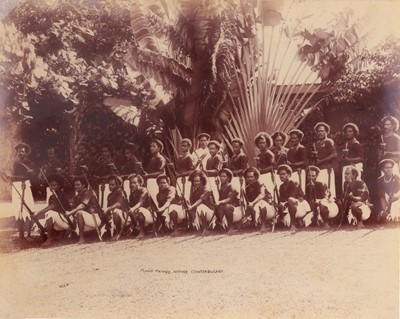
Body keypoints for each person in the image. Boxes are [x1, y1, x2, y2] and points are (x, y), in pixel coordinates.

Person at [34, 174, 72, 247]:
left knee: (50, 213)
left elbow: (52, 206)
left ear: (59, 186)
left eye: (54, 185)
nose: (52, 187)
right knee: (47, 214)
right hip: (60, 221)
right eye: (51, 185)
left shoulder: (61, 194)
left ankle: (49, 239)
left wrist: (38, 213)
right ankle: (58, 234)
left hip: (67, 221)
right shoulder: (51, 197)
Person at [65, 176, 103, 244]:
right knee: (72, 214)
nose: (75, 186)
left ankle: (82, 238)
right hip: (84, 220)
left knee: (79, 213)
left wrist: (70, 213)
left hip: (94, 218)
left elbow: (82, 206)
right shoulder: (76, 197)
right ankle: (67, 234)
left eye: (78, 185)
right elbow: (73, 208)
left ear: (83, 185)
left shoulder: (88, 193)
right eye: (75, 185)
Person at [11, 143, 36, 239]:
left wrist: (13, 177)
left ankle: (28, 234)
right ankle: (21, 235)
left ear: (26, 153)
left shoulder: (30, 163)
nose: (20, 153)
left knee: (28, 209)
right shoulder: (15, 163)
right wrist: (10, 178)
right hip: (16, 187)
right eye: (18, 151)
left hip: (25, 185)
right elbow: (13, 177)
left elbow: (30, 176)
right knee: (18, 210)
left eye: (22, 151)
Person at [277, 164, 311, 231]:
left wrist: (284, 204)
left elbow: (291, 198)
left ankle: (293, 225)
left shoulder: (294, 183)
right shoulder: (281, 186)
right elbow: (282, 200)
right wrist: (281, 205)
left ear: (289, 174)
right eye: (280, 174)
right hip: (289, 206)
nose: (281, 176)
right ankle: (294, 221)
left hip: (300, 206)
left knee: (290, 201)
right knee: (278, 205)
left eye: (283, 174)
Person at [241, 167, 275, 232]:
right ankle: (256, 222)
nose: (249, 179)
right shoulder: (247, 188)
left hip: (269, 209)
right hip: (257, 209)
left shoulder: (260, 184)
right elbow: (250, 203)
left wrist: (253, 203)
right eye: (248, 177)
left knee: (261, 203)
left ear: (256, 177)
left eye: (251, 177)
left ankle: (263, 226)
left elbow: (262, 195)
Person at [312, 122, 338, 198]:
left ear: (326, 132)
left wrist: (321, 161)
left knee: (328, 190)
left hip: (327, 169)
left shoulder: (329, 141)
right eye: (319, 131)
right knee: (321, 189)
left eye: (322, 131)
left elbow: (334, 154)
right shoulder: (317, 143)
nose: (320, 133)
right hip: (319, 169)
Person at [124, 174, 154, 239]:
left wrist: (133, 209)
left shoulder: (143, 190)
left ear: (139, 183)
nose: (132, 185)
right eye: (131, 183)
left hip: (149, 215)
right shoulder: (131, 195)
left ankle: (142, 232)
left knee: (139, 210)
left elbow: (140, 202)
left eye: (135, 182)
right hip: (138, 215)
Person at [186, 170, 215, 235]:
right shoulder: (194, 192)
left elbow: (200, 200)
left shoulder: (207, 189)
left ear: (202, 181)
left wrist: (192, 206)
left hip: (210, 214)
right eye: (194, 181)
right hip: (200, 214)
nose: (195, 183)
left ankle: (205, 229)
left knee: (201, 207)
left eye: (197, 181)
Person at [102, 175, 129, 239]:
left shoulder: (122, 192)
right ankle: (108, 230)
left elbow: (119, 204)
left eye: (113, 185)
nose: (110, 186)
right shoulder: (109, 195)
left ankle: (118, 232)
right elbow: (108, 208)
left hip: (124, 216)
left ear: (118, 185)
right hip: (113, 215)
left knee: (116, 211)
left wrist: (108, 209)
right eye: (109, 184)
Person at [94, 143, 118, 209]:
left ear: (110, 152)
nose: (104, 153)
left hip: (108, 184)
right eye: (103, 152)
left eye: (106, 151)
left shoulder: (112, 161)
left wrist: (100, 177)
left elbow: (113, 175)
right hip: (101, 184)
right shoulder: (101, 161)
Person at [341, 123, 364, 187]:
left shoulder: (356, 143)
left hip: (355, 166)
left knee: (355, 184)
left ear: (354, 132)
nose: (348, 133)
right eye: (346, 131)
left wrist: (349, 159)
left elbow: (361, 158)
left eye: (350, 131)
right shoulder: (346, 143)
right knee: (346, 184)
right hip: (347, 166)